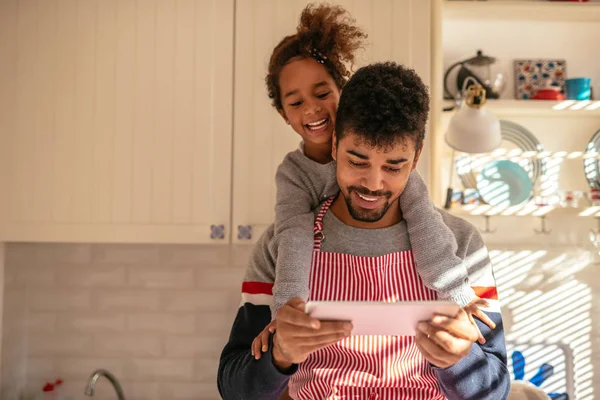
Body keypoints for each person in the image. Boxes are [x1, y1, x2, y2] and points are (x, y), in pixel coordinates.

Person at [217, 62, 510, 399]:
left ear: (415, 159)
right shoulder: (280, 246)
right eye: (357, 162)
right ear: (334, 146)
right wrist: (279, 356)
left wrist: (460, 360)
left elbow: (495, 390)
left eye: (393, 166)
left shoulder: (461, 244)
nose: (373, 184)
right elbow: (233, 387)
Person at [263, 2, 492, 350]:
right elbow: (293, 238)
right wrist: (285, 315)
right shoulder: (293, 177)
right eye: (295, 103)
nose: (311, 108)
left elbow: (427, 228)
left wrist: (459, 294)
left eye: (322, 93)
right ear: (283, 114)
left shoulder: (455, 234)